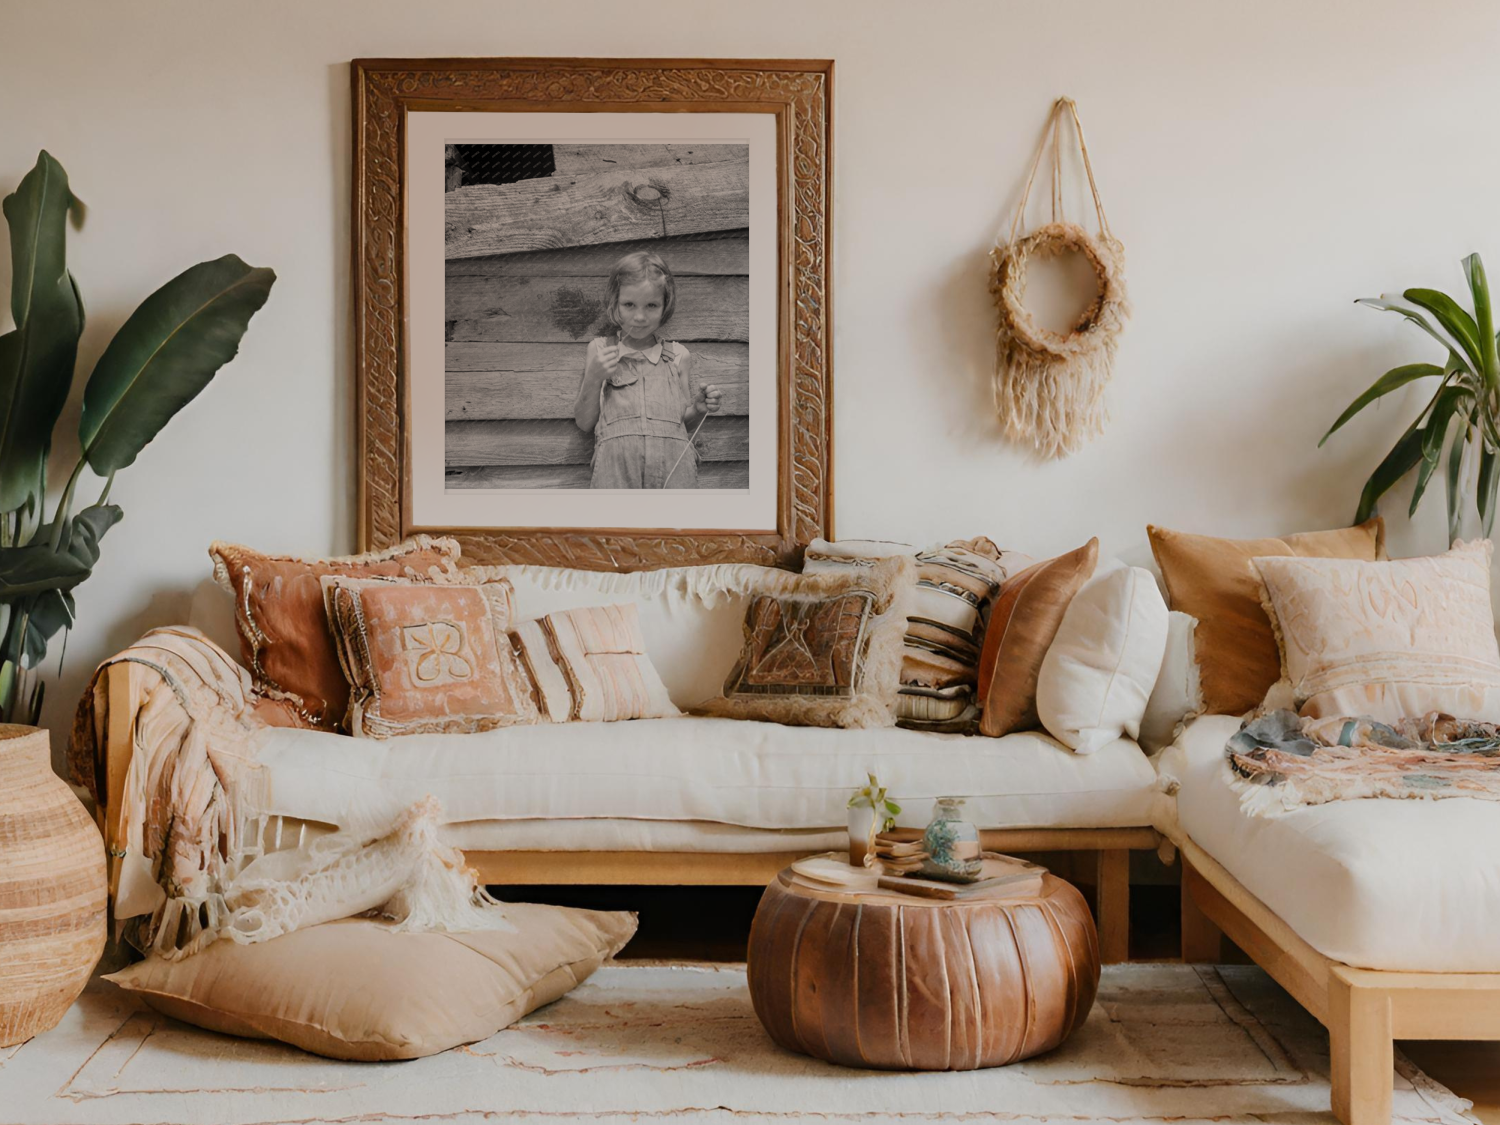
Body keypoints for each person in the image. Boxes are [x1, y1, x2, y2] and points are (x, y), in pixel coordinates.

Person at [573, 251, 721, 488]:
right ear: (615, 303)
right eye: (629, 304)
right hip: (616, 475)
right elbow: (583, 422)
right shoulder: (601, 349)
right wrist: (594, 376)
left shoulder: (679, 356)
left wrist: (699, 409)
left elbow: (681, 423)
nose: (639, 317)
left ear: (665, 306)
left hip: (674, 474)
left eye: (651, 305)